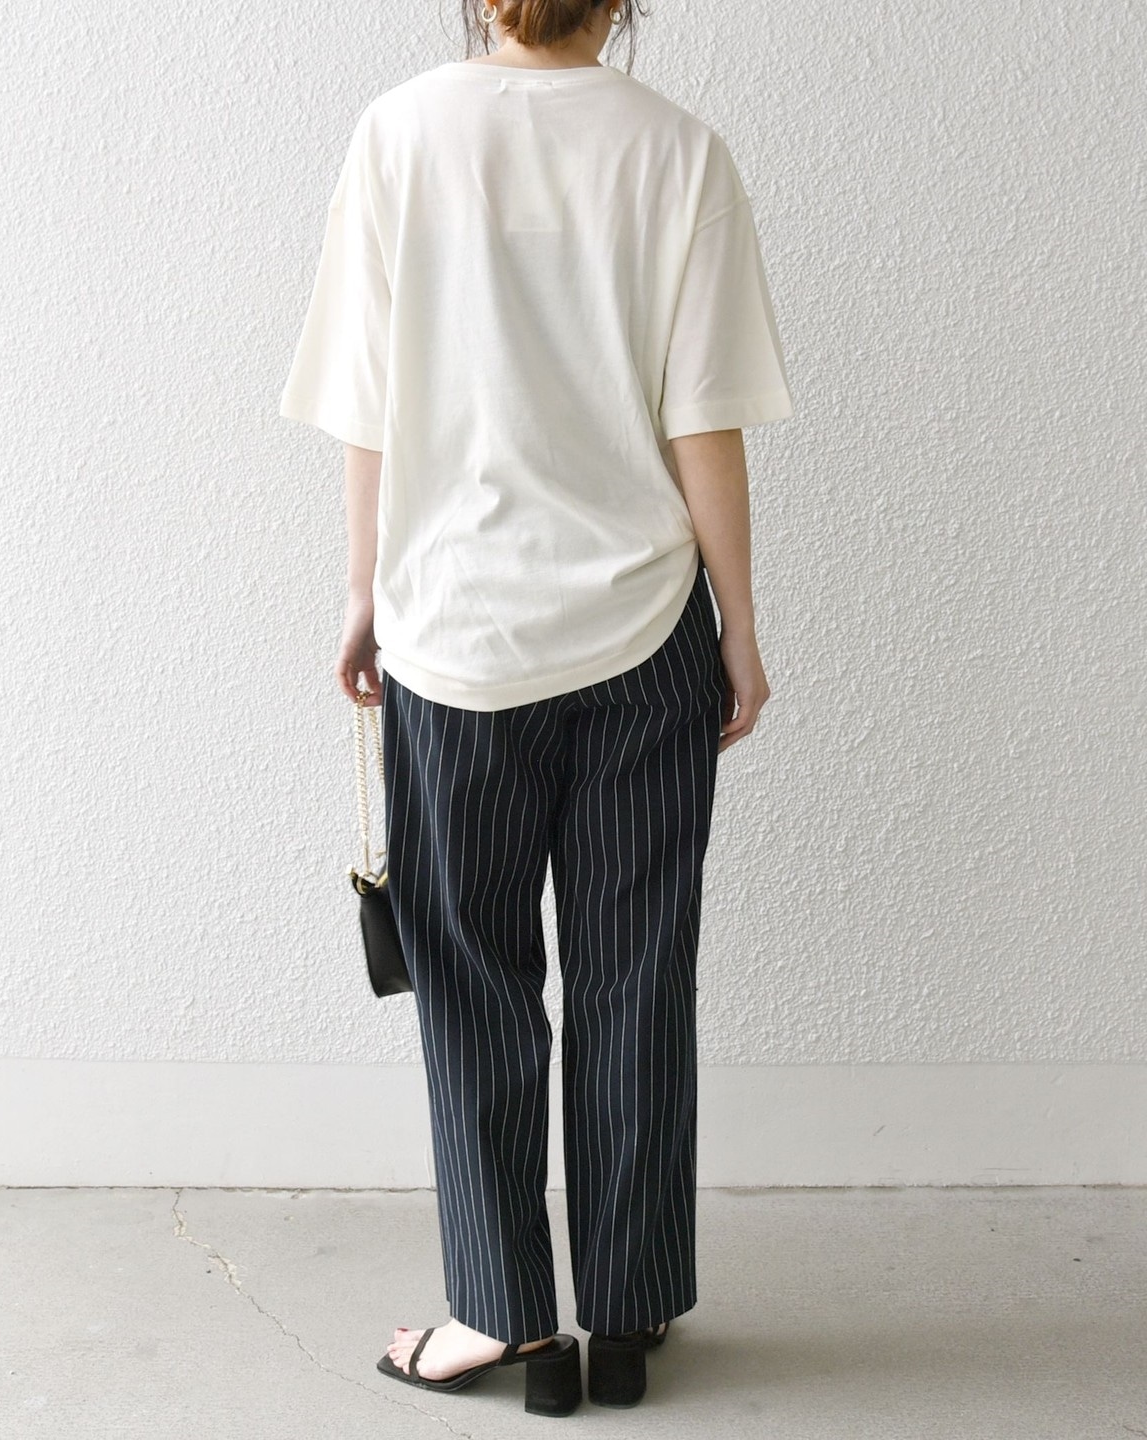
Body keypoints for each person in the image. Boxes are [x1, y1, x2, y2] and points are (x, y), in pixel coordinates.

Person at [278, 0, 795, 1415]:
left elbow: (369, 406)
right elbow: (703, 419)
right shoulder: (678, 151)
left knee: (473, 979)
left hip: (456, 637)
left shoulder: (399, 136)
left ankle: (504, 1317)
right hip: (644, 632)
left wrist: (363, 590)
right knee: (639, 974)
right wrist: (740, 625)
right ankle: (626, 1312)